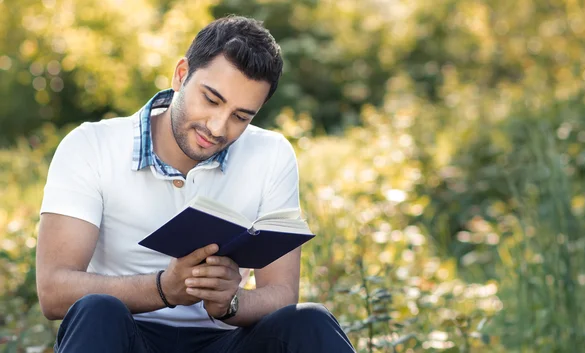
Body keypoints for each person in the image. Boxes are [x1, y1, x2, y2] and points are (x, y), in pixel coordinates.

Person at [36, 15, 356, 353]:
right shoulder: (91, 145)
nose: (218, 127)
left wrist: (230, 303)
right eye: (212, 100)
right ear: (181, 75)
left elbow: (281, 294)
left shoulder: (272, 154)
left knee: (309, 320)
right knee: (97, 310)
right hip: (123, 335)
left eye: (240, 117)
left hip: (224, 341)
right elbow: (54, 291)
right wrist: (164, 289)